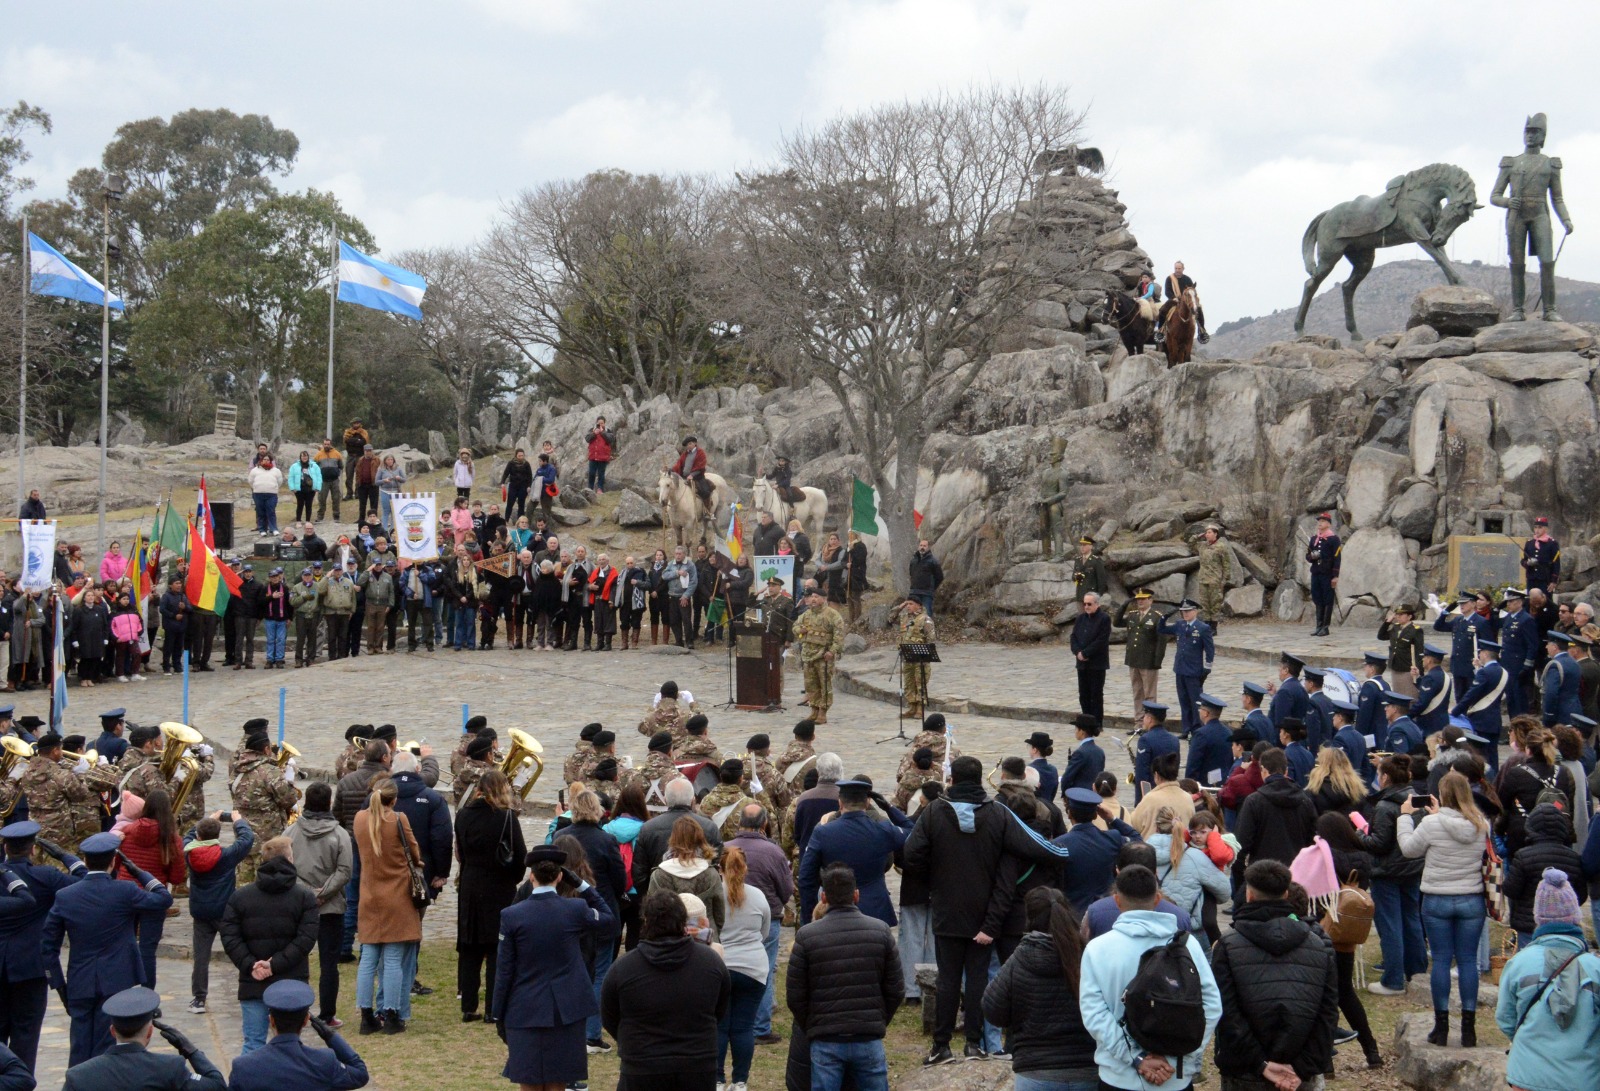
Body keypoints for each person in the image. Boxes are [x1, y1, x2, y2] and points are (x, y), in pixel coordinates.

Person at [903, 755, 1070, 1066]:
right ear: (980, 780)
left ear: (951, 780)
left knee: (948, 979)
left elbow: (910, 854)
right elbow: (1035, 845)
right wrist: (1066, 850)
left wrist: (934, 877)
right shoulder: (998, 814)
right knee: (979, 978)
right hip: (986, 914)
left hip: (946, 910)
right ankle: (974, 1044)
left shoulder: (934, 812)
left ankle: (941, 1045)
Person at [1079, 864, 1222, 1091]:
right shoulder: (1188, 945)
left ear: (1117, 900)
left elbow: (1094, 1014)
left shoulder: (1097, 949)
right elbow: (1212, 1005)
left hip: (1118, 1076)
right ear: (1158, 899)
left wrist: (1137, 1058)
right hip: (1174, 1078)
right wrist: (1183, 1052)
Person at [44, 832, 174, 1065]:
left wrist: (58, 984)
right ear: (114, 861)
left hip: (80, 980)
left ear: (85, 861)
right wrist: (138, 872)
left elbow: (48, 947)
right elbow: (163, 898)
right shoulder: (125, 891)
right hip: (117, 979)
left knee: (79, 1048)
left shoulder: (65, 896)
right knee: (107, 1049)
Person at [492, 844, 613, 1091]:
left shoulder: (512, 915)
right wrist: (582, 885)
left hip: (524, 1007)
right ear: (560, 877)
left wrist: (498, 1013)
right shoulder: (575, 909)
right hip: (566, 1008)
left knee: (529, 1080)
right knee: (558, 1080)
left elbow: (504, 970)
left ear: (531, 876)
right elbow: (608, 918)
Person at [1210, 860, 1338, 1091]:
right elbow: (1327, 1014)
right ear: (1286, 893)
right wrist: (1303, 1066)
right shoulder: (1318, 945)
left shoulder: (1228, 945)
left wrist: (1260, 1063)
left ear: (1249, 895)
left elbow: (1227, 1013)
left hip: (1244, 1069)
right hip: (1296, 1071)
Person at [602, 888, 729, 1091]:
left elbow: (610, 1016)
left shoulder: (623, 968)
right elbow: (718, 1010)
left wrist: (634, 1040)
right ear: (683, 921)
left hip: (643, 1064)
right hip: (696, 1062)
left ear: (646, 921)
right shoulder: (711, 962)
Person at [1397, 770, 1490, 1046]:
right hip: (1471, 897)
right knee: (1467, 961)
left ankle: (1441, 1027)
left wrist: (1404, 817)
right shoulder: (1481, 823)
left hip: (1437, 896)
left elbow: (1408, 849)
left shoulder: (1430, 823)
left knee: (1440, 960)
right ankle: (1469, 1028)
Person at [983, 885, 1098, 1091]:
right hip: (1087, 1069)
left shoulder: (1021, 957)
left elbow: (993, 1009)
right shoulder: (1089, 955)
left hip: (1034, 1071)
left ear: (1029, 917)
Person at [1495, 868, 1600, 1090]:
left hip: (1527, 1076)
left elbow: (1505, 1018)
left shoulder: (1518, 963)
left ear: (1538, 917)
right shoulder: (1595, 968)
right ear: (1575, 916)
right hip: (1582, 1080)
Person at [0, 819, 86, 1073]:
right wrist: (65, 856)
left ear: (6, 849)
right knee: (26, 1037)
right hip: (31, 967)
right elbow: (84, 882)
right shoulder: (45, 876)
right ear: (33, 849)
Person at [220, 835, 319, 1054]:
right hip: (291, 980)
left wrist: (250, 965)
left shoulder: (241, 897)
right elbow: (305, 939)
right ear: (289, 859)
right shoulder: (304, 897)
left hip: (253, 982)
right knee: (291, 1046)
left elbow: (229, 935)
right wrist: (275, 965)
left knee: (253, 1043)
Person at [452, 769, 526, 1025]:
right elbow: (520, 855)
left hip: (471, 884)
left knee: (470, 945)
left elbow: (459, 851)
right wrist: (512, 880)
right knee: (497, 948)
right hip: (499, 886)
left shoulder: (462, 815)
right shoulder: (507, 817)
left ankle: (468, 1005)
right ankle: (492, 1008)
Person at [352, 775, 422, 1035]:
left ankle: (366, 1016)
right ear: (394, 799)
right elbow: (414, 853)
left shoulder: (360, 819)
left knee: (368, 957)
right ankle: (392, 1015)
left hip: (370, 896)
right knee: (393, 958)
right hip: (397, 895)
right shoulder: (398, 819)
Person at [59, 985, 225, 1091]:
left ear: (112, 1031)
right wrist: (190, 1050)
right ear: (150, 1033)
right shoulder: (169, 1069)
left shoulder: (79, 1076)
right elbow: (217, 1085)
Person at [223, 978, 369, 1091]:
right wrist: (330, 1035)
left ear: (271, 1020)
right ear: (306, 1020)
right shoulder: (324, 1062)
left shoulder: (243, 1067)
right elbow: (360, 1073)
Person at [797, 779, 910, 924]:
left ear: (840, 803)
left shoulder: (823, 833)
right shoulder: (883, 830)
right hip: (875, 910)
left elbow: (806, 878)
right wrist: (889, 808)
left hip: (835, 910)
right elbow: (912, 831)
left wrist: (807, 920)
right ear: (867, 803)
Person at [284, 784, 351, 1029]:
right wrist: (323, 893)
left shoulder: (291, 832)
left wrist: (307, 892)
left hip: (299, 906)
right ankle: (327, 1014)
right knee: (329, 963)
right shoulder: (340, 834)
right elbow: (344, 870)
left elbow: (287, 867)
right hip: (330, 907)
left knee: (296, 959)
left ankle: (295, 1010)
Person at [708, 845, 770, 1091]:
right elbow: (763, 932)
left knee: (720, 1025)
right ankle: (740, 1080)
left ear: (719, 868)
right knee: (744, 1026)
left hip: (720, 965)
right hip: (753, 968)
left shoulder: (714, 894)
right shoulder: (758, 896)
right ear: (745, 868)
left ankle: (718, 1079)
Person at [183, 810, 256, 1016]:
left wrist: (207, 819)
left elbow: (188, 836)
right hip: (224, 911)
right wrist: (238, 820)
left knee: (201, 956)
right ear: (217, 837)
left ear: (199, 836)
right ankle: (251, 988)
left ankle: (199, 999)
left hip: (201, 911)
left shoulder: (189, 852)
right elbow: (246, 839)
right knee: (239, 950)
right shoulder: (226, 856)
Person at [1505, 802, 1586, 950]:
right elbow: (1580, 894)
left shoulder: (1523, 856)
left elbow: (1511, 890)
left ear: (1531, 827)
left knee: (1531, 968)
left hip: (1529, 925)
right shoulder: (1573, 857)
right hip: (1565, 928)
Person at [1148, 806, 1230, 938]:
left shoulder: (1139, 852)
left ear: (1156, 828)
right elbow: (1225, 892)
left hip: (1148, 924)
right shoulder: (1195, 856)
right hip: (1185, 926)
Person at [1236, 748, 1317, 866]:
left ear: (1263, 770)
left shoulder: (1254, 801)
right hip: (1296, 870)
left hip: (1263, 870)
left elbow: (1242, 842)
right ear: (1286, 771)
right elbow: (1312, 838)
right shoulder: (1305, 801)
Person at [647, 817, 726, 940]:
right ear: (700, 838)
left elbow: (651, 913)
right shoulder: (711, 874)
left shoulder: (659, 875)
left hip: (669, 939)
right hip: (705, 937)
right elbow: (719, 913)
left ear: (672, 839)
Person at [1160, 599, 1214, 739]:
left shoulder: (1203, 628)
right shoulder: (1179, 625)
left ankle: (1197, 728)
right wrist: (1165, 616)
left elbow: (1209, 649)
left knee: (1195, 701)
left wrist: (1207, 668)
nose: (1185, 614)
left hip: (1194, 670)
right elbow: (1161, 629)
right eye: (1183, 611)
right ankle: (1186, 727)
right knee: (1183, 700)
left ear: (1195, 611)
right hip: (1180, 668)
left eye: (1188, 611)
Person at [793, 589, 844, 724]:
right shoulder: (806, 614)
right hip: (808, 655)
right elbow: (795, 627)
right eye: (812, 597)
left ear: (824, 598)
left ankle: (823, 712)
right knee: (811, 685)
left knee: (824, 684)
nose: (813, 599)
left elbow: (838, 636)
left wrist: (832, 651)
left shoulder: (833, 615)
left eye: (817, 597)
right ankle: (814, 710)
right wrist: (800, 630)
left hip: (824, 655)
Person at [1116, 588, 1165, 712]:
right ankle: (1139, 722)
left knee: (1149, 694)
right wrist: (1124, 605)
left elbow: (1161, 641)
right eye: (1138, 599)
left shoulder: (1156, 617)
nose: (1140, 601)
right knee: (1137, 693)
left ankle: (1150, 722)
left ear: (1150, 600)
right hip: (1133, 659)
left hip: (1148, 661)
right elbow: (1116, 622)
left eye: (1143, 599)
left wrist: (1157, 661)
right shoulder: (1133, 615)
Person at [1070, 592, 1111, 724]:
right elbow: (1073, 637)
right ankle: (1085, 721)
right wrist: (1078, 652)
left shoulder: (1104, 618)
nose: (1086, 606)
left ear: (1097, 604)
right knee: (1084, 694)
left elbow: (1102, 640)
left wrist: (1086, 653)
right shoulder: (1080, 618)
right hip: (1082, 663)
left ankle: (1096, 723)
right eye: (1084, 604)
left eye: (1089, 604)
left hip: (1096, 663)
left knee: (1096, 694)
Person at [1305, 512, 1341, 637]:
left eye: (1323, 521)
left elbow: (1337, 558)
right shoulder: (1314, 539)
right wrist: (1312, 557)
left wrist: (1335, 576)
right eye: (1319, 521)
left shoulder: (1334, 539)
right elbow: (1307, 556)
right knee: (1317, 599)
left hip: (1328, 574)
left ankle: (1325, 627)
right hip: (1316, 573)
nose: (1320, 523)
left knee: (1327, 600)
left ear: (1329, 524)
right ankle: (1318, 626)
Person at [1379, 603, 1426, 698]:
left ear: (1409, 616)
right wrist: (1387, 623)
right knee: (1397, 694)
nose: (1398, 617)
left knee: (1410, 695)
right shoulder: (1396, 627)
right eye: (1397, 614)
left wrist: (1419, 669)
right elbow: (1381, 636)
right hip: (1395, 666)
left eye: (1401, 615)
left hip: (1407, 668)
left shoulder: (1415, 630)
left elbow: (1419, 652)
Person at [1059, 714, 1104, 796]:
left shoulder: (1080, 752)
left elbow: (1067, 777)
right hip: (1094, 794)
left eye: (1076, 729)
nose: (1075, 731)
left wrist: (1065, 794)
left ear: (1082, 731)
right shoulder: (1100, 751)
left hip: (1080, 795)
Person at [1521, 516, 1562, 593]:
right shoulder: (1529, 543)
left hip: (1545, 579)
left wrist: (1553, 581)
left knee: (1545, 601)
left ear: (1546, 529)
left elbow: (1556, 563)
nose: (1537, 530)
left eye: (1540, 527)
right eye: (1535, 527)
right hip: (1531, 579)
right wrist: (1528, 563)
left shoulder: (1552, 543)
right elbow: (1523, 560)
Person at [248, 456, 285, 537]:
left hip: (271, 494)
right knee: (260, 512)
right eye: (264, 459)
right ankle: (262, 530)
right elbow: (250, 481)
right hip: (258, 494)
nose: (266, 461)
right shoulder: (255, 470)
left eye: (268, 460)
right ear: (261, 460)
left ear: (271, 461)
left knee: (271, 511)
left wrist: (274, 487)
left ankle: (273, 529)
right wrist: (256, 487)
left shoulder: (276, 470)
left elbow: (279, 481)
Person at [908, 539, 943, 618]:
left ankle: (928, 630)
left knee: (926, 614)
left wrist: (931, 587)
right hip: (914, 592)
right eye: (921, 545)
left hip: (926, 593)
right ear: (918, 546)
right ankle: (912, 630)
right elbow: (911, 574)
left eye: (924, 546)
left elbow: (939, 577)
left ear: (928, 547)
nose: (922, 547)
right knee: (912, 614)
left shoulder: (933, 561)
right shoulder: (913, 561)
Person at [287, 453, 322, 525]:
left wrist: (318, 487)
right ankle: (298, 521)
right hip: (299, 488)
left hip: (311, 488)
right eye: (303, 456)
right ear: (300, 457)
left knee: (309, 504)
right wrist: (292, 488)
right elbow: (291, 477)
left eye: (306, 456)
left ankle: (308, 521)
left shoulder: (314, 466)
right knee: (300, 504)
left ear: (308, 457)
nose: (304, 457)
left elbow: (319, 477)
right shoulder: (294, 466)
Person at [585, 417, 615, 493]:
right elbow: (587, 439)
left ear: (604, 423)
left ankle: (600, 488)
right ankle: (590, 489)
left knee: (601, 474)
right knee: (591, 473)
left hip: (603, 457)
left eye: (602, 423)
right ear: (596, 423)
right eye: (599, 423)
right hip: (593, 456)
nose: (600, 424)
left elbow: (610, 440)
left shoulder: (608, 431)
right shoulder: (592, 430)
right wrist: (594, 433)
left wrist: (602, 432)